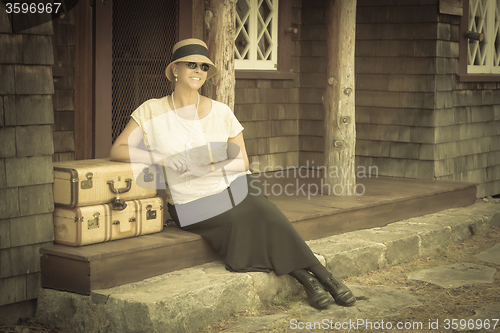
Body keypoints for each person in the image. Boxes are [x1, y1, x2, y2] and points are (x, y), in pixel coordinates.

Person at [109, 38, 355, 309]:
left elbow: (242, 162)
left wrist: (206, 168)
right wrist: (162, 159)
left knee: (262, 210)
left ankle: (317, 279)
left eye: (204, 67)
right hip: (189, 203)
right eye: (192, 64)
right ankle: (314, 278)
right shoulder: (151, 110)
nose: (198, 70)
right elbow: (118, 149)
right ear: (175, 69)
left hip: (232, 184)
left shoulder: (221, 112)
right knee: (251, 215)